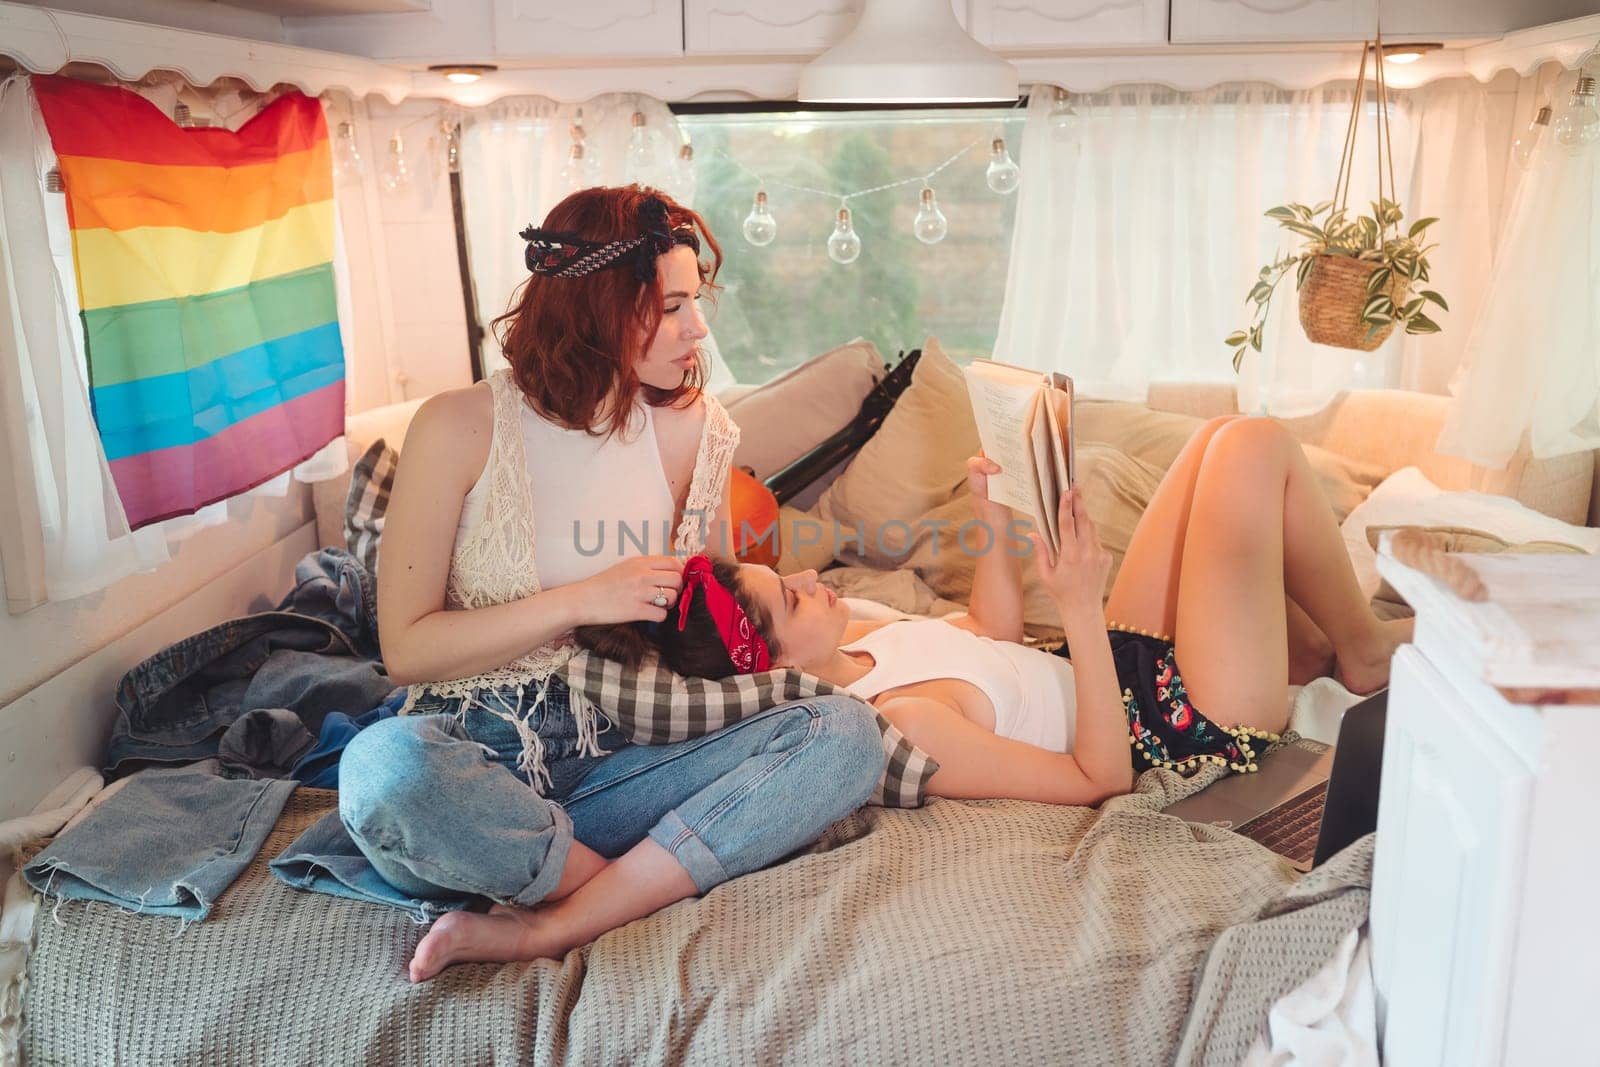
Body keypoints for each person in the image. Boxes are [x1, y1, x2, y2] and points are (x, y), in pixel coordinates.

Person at [337, 186, 886, 983]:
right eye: (670, 307)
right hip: (474, 768)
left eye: (696, 301)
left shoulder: (704, 430)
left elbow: (721, 636)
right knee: (382, 772)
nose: (698, 330)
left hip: (625, 763)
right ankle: (622, 885)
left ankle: (546, 923)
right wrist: (581, 600)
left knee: (846, 735)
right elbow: (406, 649)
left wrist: (812, 665)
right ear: (597, 305)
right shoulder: (457, 425)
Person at [580, 415, 1411, 806]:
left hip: (1119, 663)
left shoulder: (864, 637)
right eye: (791, 597)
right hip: (1175, 723)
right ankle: (1362, 652)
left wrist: (996, 513)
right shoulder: (905, 721)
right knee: (1254, 451)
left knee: (1216, 440)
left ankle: (1322, 646)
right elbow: (1099, 778)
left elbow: (995, 634)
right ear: (775, 666)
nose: (806, 575)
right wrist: (1080, 606)